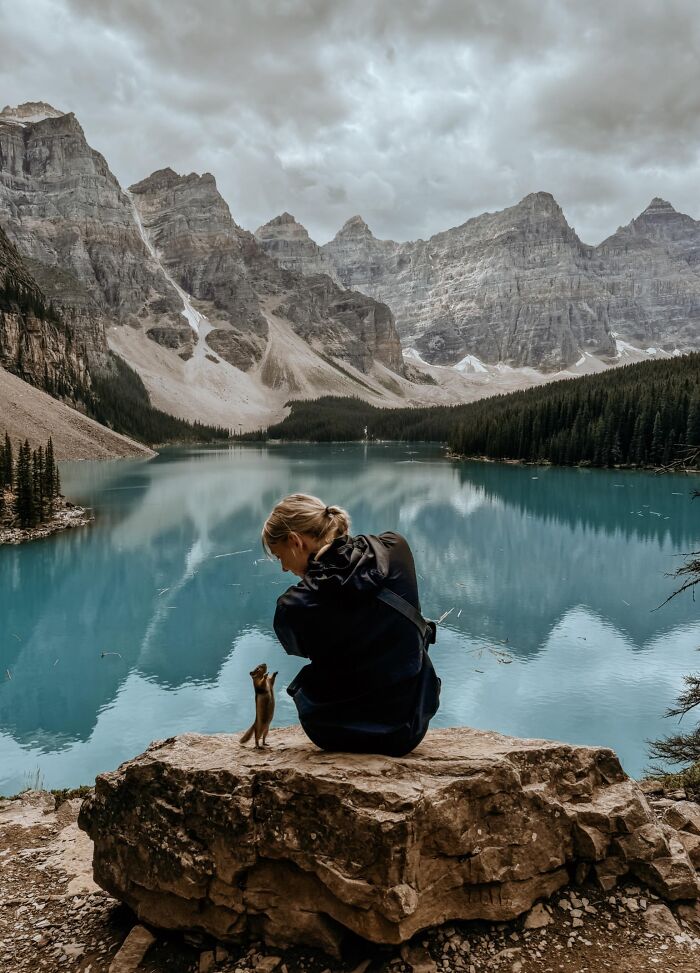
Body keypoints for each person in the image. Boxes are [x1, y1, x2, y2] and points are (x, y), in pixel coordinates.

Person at [262, 493, 441, 756]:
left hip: (335, 730)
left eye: (280, 557)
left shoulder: (294, 606)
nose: (284, 568)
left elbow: (301, 649)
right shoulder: (395, 547)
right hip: (408, 726)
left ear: (295, 542)